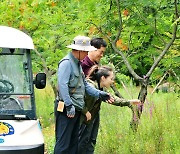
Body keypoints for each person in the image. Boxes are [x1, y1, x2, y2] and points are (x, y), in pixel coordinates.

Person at [54, 36, 113, 154]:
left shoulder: (78, 64)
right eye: (85, 51)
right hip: (66, 109)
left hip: (76, 109)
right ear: (79, 50)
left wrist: (100, 94)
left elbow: (85, 85)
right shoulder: (66, 63)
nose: (87, 54)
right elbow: (62, 86)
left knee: (73, 144)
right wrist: (69, 105)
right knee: (63, 144)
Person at [78, 65, 141, 154]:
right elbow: (78, 99)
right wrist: (85, 111)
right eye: (111, 79)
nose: (112, 81)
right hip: (82, 119)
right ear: (103, 78)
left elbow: (113, 99)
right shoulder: (90, 86)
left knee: (91, 142)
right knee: (82, 144)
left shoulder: (102, 88)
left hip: (92, 118)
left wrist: (129, 102)